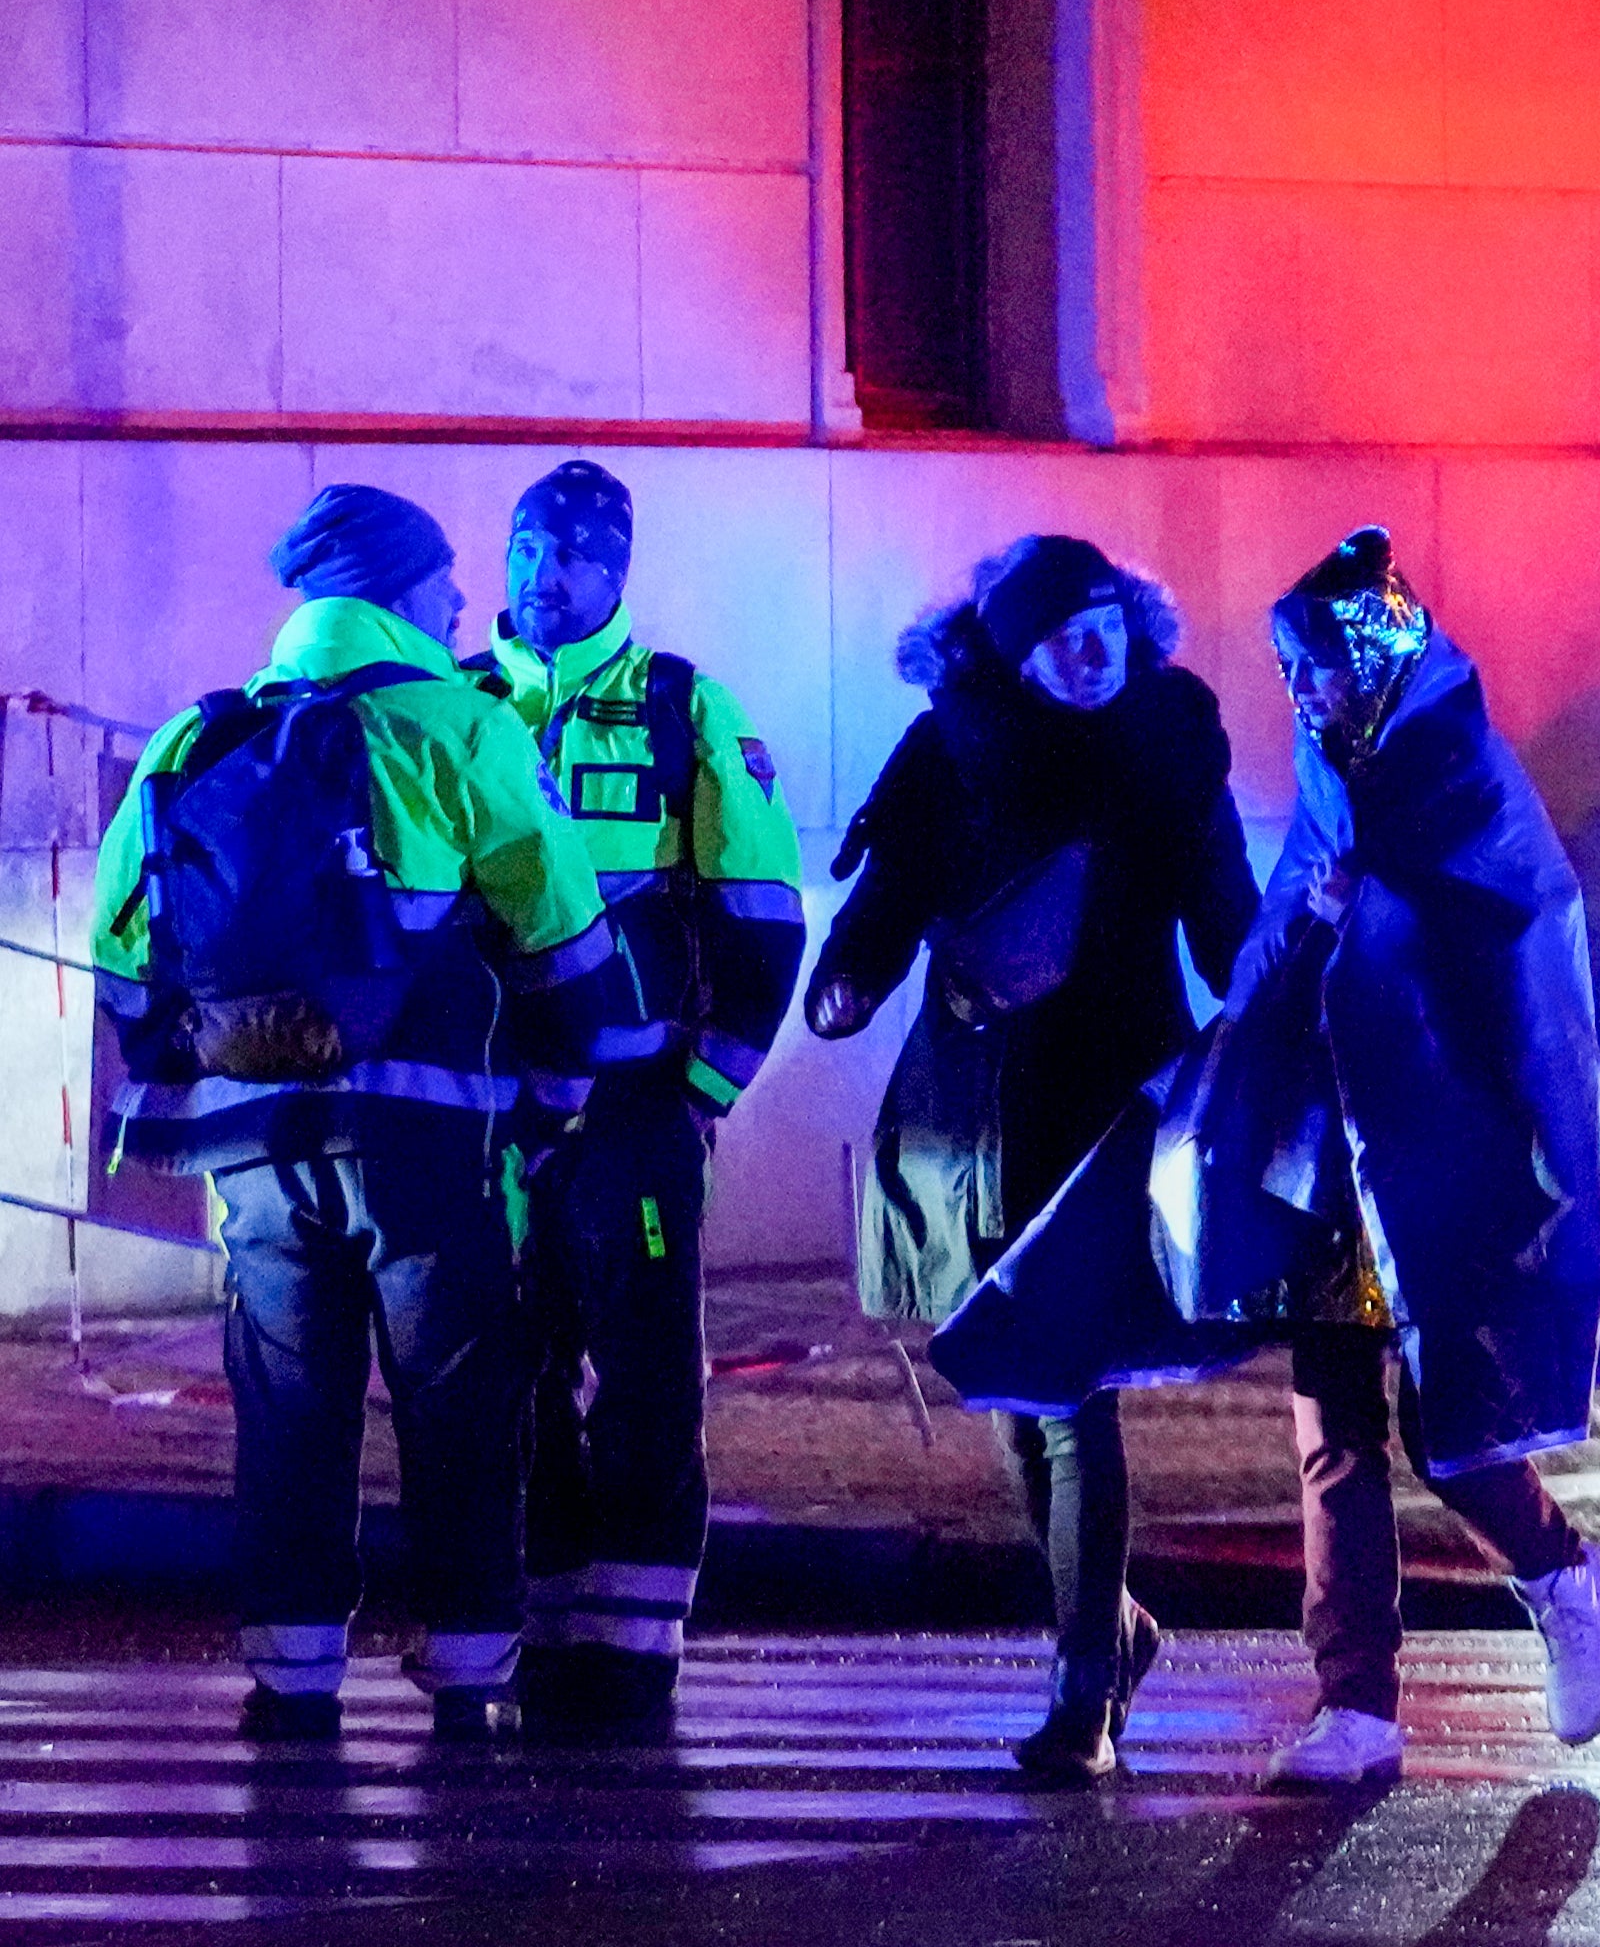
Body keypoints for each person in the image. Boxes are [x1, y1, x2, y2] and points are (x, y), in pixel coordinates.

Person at [931, 526, 1600, 1790]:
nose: (1298, 694)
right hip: (1330, 1157)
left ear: (1373, 658)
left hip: (1440, 1156)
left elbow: (1509, 928)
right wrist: (1256, 1018)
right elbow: (1277, 928)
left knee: (1449, 1424)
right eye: (1288, 672)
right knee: (1333, 1427)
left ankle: (1556, 1568)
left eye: (1316, 669)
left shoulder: (1457, 765)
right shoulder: (1329, 768)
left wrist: (1379, 914)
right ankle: (1355, 1701)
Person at [93, 484, 639, 1743]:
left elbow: (126, 957)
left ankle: (291, 1672)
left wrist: (210, 1067)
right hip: (424, 1142)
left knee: (288, 1400)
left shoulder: (194, 739)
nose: (463, 605)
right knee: (456, 1395)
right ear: (399, 593)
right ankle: (465, 1666)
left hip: (254, 1147)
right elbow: (558, 929)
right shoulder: (456, 725)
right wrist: (575, 1080)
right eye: (446, 584)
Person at [806, 535, 1256, 1781]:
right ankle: (1108, 1626)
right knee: (1008, 1384)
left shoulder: (1166, 741)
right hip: (977, 1106)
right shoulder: (953, 744)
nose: (1091, 643)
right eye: (1063, 629)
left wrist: (1274, 1017)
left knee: (1068, 1387)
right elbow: (888, 895)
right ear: (1009, 651)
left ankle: (1081, 1686)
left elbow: (1225, 912)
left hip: (1112, 1100)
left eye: (1107, 616)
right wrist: (843, 978)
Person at [464, 460, 807, 1736]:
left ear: (617, 571)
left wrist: (703, 1089)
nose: (540, 576)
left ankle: (638, 1636)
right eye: (524, 551)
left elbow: (764, 914)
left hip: (630, 1109)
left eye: (569, 556)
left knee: (647, 1365)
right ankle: (548, 1613)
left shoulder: (679, 707)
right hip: (498, 1109)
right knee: (516, 1361)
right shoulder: (463, 704)